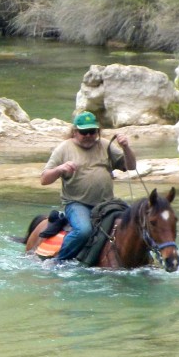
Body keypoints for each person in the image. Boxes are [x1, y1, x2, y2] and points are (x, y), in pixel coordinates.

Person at [40, 111, 136, 261]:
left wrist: (126, 148)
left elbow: (130, 166)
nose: (88, 135)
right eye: (84, 132)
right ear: (75, 132)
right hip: (77, 203)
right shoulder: (64, 148)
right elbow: (44, 179)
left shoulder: (104, 144)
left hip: (107, 203)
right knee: (84, 231)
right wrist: (60, 169)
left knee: (136, 222)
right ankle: (59, 261)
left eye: (92, 131)